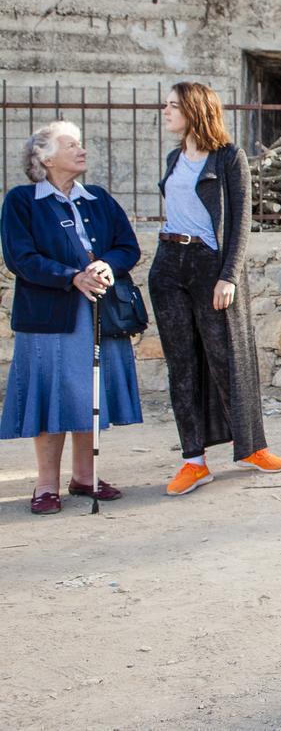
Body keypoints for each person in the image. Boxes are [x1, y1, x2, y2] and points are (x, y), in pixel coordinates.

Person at [151, 82, 281, 495]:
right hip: (169, 263)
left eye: (173, 105)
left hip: (210, 265)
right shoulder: (175, 157)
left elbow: (241, 221)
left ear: (194, 110)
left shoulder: (229, 157)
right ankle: (193, 460)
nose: (166, 111)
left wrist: (228, 276)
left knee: (227, 358)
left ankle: (251, 446)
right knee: (182, 365)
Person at [1, 121, 143, 514]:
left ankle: (85, 475)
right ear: (44, 157)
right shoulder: (21, 201)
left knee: (90, 392)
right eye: (71, 144)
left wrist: (107, 267)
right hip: (49, 314)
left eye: (80, 143)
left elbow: (127, 246)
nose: (81, 150)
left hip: (99, 309)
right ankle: (46, 484)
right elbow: (21, 258)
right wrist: (72, 277)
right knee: (51, 396)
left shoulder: (98, 198)